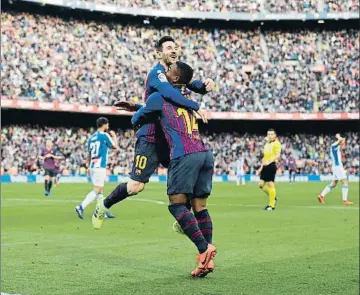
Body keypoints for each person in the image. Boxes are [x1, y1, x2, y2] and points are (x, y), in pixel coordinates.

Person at [92, 36, 214, 226]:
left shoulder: (174, 73)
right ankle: (103, 204)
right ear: (158, 53)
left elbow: (190, 83)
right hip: (151, 137)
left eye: (175, 47)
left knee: (186, 173)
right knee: (136, 186)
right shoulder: (157, 74)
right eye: (168, 48)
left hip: (170, 137)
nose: (173, 50)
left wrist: (204, 87)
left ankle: (184, 218)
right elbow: (167, 94)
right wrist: (195, 104)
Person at [75, 117, 118, 219]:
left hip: (93, 166)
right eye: (107, 124)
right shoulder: (104, 135)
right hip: (100, 166)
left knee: (100, 191)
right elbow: (115, 146)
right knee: (97, 190)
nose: (108, 126)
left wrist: (88, 167)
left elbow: (89, 154)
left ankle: (102, 211)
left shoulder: (92, 137)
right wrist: (114, 136)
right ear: (104, 125)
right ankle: (81, 206)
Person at [317, 134, 353, 205]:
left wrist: (342, 140)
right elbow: (339, 139)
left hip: (336, 166)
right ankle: (344, 200)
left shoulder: (337, 146)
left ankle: (321, 196)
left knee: (333, 184)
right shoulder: (334, 145)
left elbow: (342, 141)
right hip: (338, 166)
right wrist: (340, 138)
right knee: (345, 182)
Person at [256, 129, 282, 211]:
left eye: (271, 134)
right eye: (268, 134)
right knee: (260, 185)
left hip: (271, 165)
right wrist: (260, 168)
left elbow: (277, 155)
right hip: (265, 166)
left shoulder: (277, 144)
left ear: (275, 135)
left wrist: (269, 162)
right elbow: (264, 157)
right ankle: (273, 197)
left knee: (271, 184)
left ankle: (271, 205)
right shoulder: (266, 144)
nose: (270, 136)